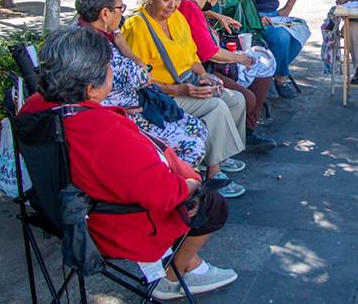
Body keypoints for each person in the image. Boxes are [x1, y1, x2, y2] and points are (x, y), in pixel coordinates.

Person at [21, 27, 238, 300]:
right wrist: (191, 184)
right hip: (107, 226)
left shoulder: (32, 107)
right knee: (212, 203)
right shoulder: (103, 130)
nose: (113, 71)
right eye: (109, 67)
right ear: (90, 87)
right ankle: (172, 276)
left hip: (57, 209)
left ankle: (188, 266)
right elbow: (162, 193)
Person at [122, 0, 247, 199]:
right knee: (216, 106)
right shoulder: (136, 28)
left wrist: (203, 76)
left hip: (186, 84)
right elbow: (140, 82)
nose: (172, 5)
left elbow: (192, 58)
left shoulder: (178, 19)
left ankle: (219, 154)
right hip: (159, 96)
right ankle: (214, 172)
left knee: (236, 100)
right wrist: (181, 89)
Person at [75, 0, 207, 167]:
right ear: (105, 13)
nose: (121, 14)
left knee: (196, 126)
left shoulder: (79, 33)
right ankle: (175, 187)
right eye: (120, 8)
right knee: (193, 142)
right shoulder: (102, 48)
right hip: (119, 119)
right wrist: (125, 47)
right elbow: (143, 76)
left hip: (126, 110)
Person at [178, 0, 277, 150]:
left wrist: (216, 16)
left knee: (260, 73)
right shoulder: (189, 8)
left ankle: (247, 132)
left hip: (201, 65)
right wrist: (240, 58)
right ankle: (235, 138)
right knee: (248, 96)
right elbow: (209, 53)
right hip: (199, 69)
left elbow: (198, 14)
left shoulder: (190, 4)